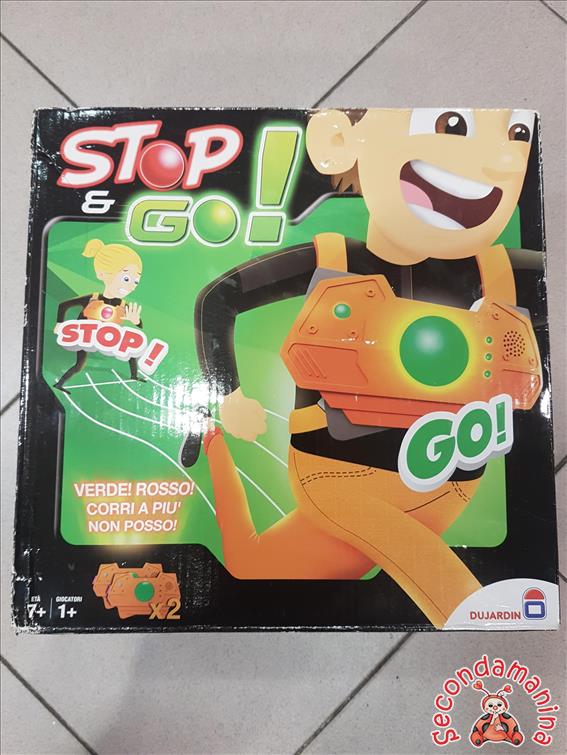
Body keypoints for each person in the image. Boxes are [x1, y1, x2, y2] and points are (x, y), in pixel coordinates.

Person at [189, 108, 543, 628]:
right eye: (451, 126)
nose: (500, 158)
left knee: (248, 563)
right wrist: (228, 392)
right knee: (452, 591)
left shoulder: (499, 272)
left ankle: (211, 442)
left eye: (517, 134)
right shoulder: (333, 260)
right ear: (341, 142)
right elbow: (218, 299)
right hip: (339, 478)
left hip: (450, 479)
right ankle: (491, 622)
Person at [54, 238, 144, 393]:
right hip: (86, 336)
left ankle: (134, 375)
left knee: (131, 352)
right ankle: (59, 384)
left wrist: (136, 321)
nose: (131, 286)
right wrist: (59, 324)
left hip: (109, 337)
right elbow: (63, 305)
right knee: (79, 365)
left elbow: (139, 323)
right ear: (102, 274)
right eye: (126, 279)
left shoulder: (123, 304)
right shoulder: (93, 298)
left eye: (135, 281)